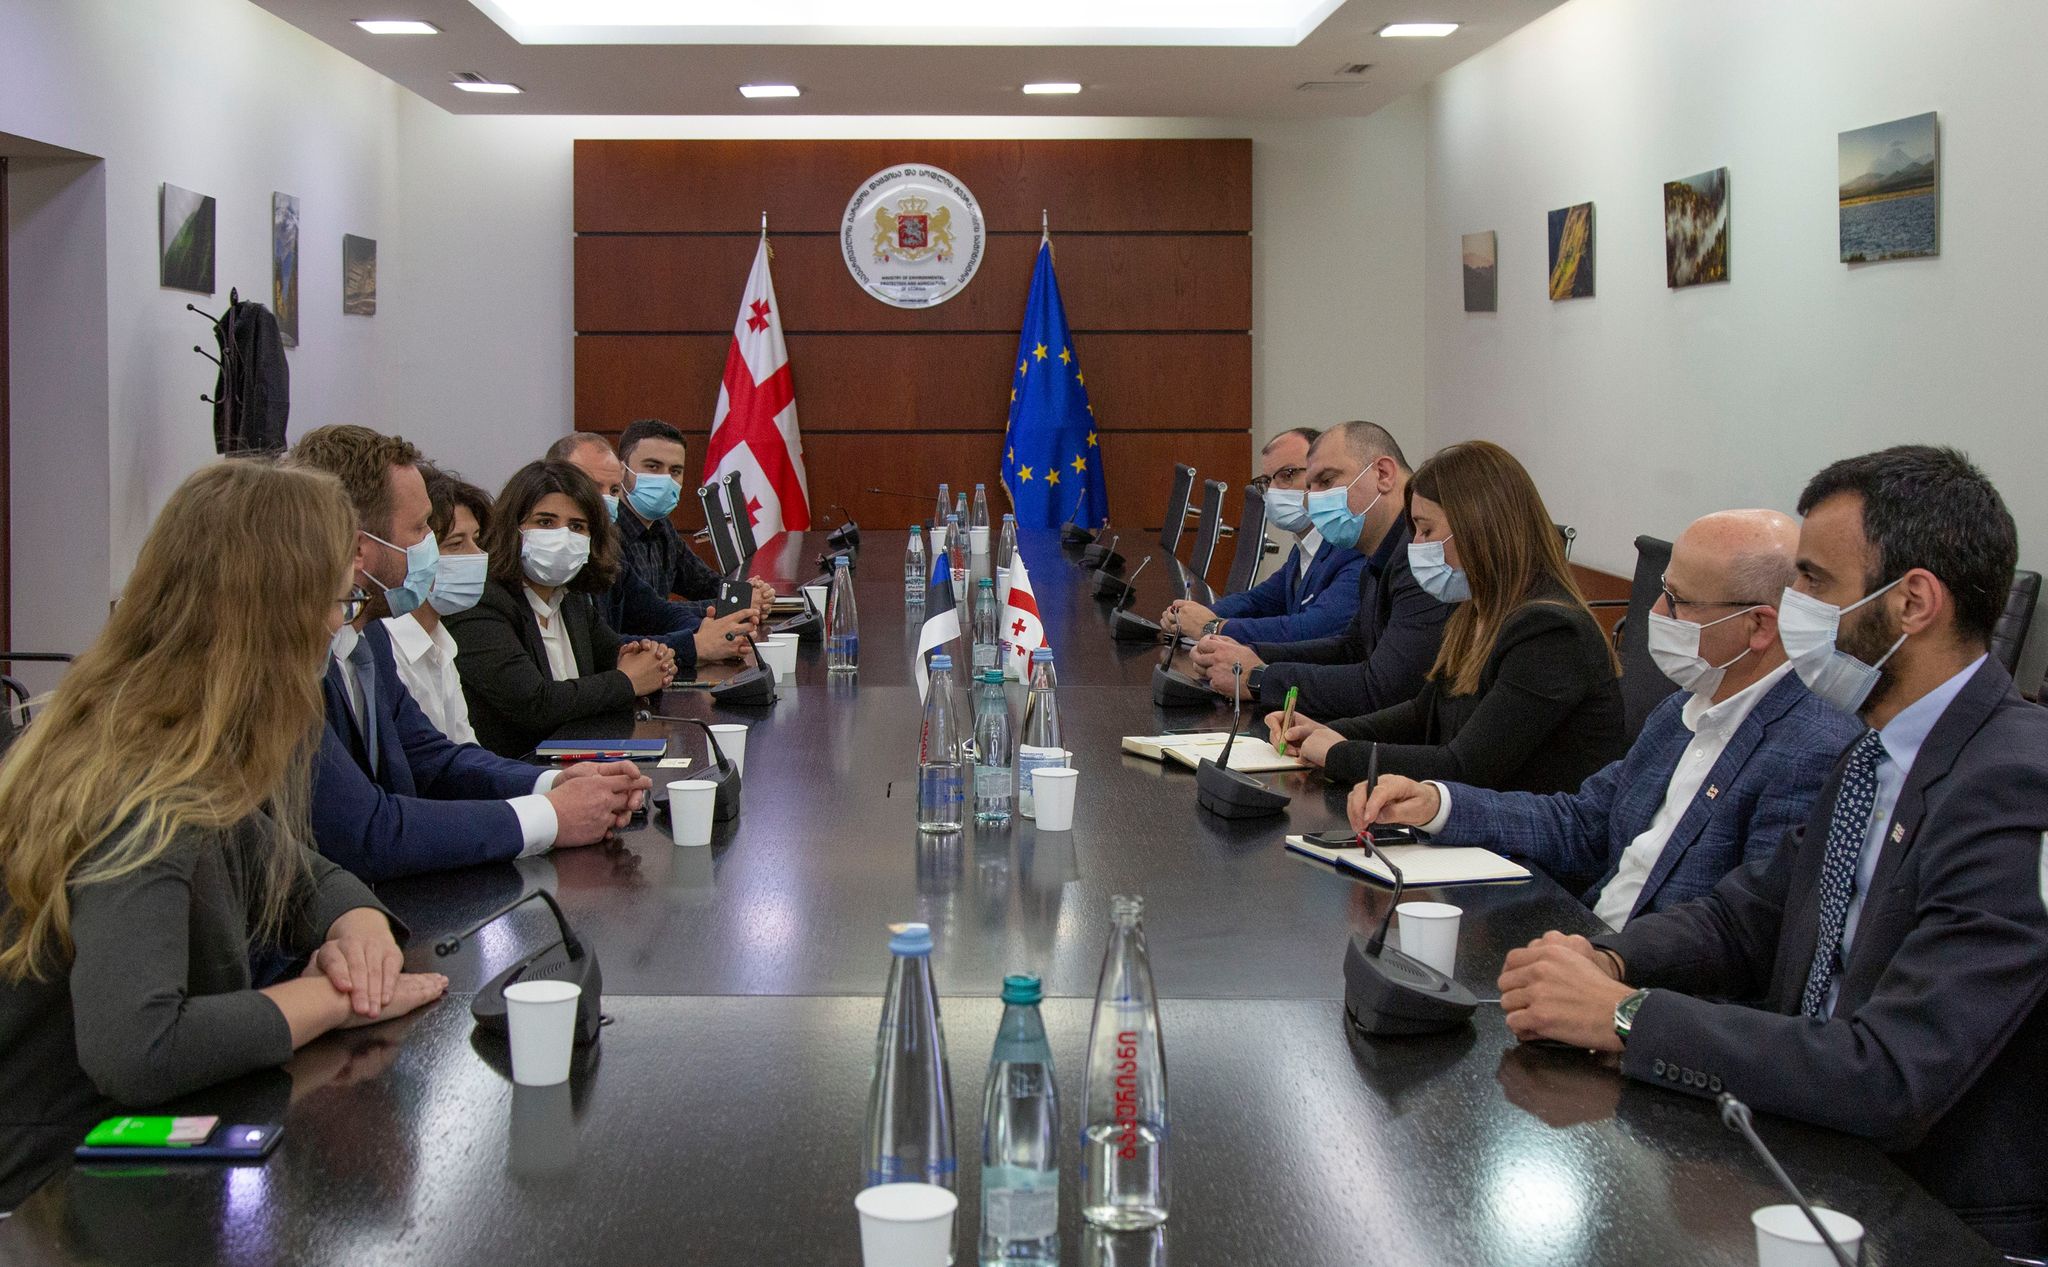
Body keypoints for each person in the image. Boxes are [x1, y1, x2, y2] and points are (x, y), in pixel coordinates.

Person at [1496, 447, 2048, 1256]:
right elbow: (1748, 913)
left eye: (1814, 582)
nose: (1792, 609)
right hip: (1801, 1146)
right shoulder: (1875, 747)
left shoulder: (2016, 782)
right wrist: (1606, 958)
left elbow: (1894, 1071)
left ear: (1914, 602)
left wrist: (1628, 1016)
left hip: (1928, 1213)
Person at [0, 461, 450, 1209]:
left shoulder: (169, 737)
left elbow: (297, 871)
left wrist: (359, 924)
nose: (343, 622)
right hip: (51, 1192)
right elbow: (141, 1046)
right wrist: (335, 999)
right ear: (273, 612)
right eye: (339, 599)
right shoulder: (141, 783)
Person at [1353, 510, 1860, 922]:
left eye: (1678, 602)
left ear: (1759, 626)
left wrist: (1606, 964)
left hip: (1639, 983)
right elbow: (1584, 822)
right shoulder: (1682, 708)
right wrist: (1437, 803)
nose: (1654, 613)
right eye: (1662, 591)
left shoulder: (1811, 750)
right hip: (1588, 937)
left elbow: (1741, 932)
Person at [290, 426, 648, 882]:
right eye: (421, 528)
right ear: (360, 547)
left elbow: (432, 757)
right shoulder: (290, 659)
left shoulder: (367, 636)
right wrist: (550, 816)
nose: (431, 546)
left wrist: (553, 782)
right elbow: (366, 831)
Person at [1271, 440, 1625, 793]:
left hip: (1525, 825)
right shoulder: (1473, 611)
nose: (1416, 546)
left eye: (1426, 530)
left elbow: (1465, 768)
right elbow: (1423, 713)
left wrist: (1339, 753)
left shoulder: (1550, 633)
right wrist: (1328, 732)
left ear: (1478, 529)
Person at [1189, 421, 1451, 712]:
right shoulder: (1379, 555)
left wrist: (1259, 677)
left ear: (1383, 474)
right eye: (1310, 486)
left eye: (1326, 481)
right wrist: (1249, 653)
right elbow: (1351, 647)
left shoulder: (1421, 559)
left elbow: (1383, 688)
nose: (1313, 500)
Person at [446, 459, 679, 758]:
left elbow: (614, 656)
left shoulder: (571, 598)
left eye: (577, 526)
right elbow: (535, 704)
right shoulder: (481, 601)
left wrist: (653, 660)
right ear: (512, 527)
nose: (562, 536)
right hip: (517, 772)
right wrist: (627, 681)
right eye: (545, 522)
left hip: (580, 762)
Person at [549, 432, 762, 670]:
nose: (605, 499)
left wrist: (712, 632)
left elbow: (655, 611)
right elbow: (600, 649)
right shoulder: (553, 560)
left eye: (613, 490)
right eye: (593, 487)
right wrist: (696, 644)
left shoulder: (605, 549)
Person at [1159, 427, 1364, 644]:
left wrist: (1212, 626)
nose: (1273, 490)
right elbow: (1259, 601)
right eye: (1266, 481)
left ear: (1318, 477)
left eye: (1287, 474)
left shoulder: (1351, 547)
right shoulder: (1304, 547)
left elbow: (1310, 629)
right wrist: (1192, 616)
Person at [380, 465, 491, 744]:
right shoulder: (386, 647)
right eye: (456, 544)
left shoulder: (440, 640)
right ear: (420, 552)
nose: (477, 555)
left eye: (476, 540)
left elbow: (464, 748)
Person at [613, 417, 768, 609]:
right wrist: (736, 603)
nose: (665, 479)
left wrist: (746, 593)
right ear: (620, 470)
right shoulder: (606, 532)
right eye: (653, 466)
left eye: (675, 471)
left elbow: (703, 582)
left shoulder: (662, 525)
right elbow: (646, 614)